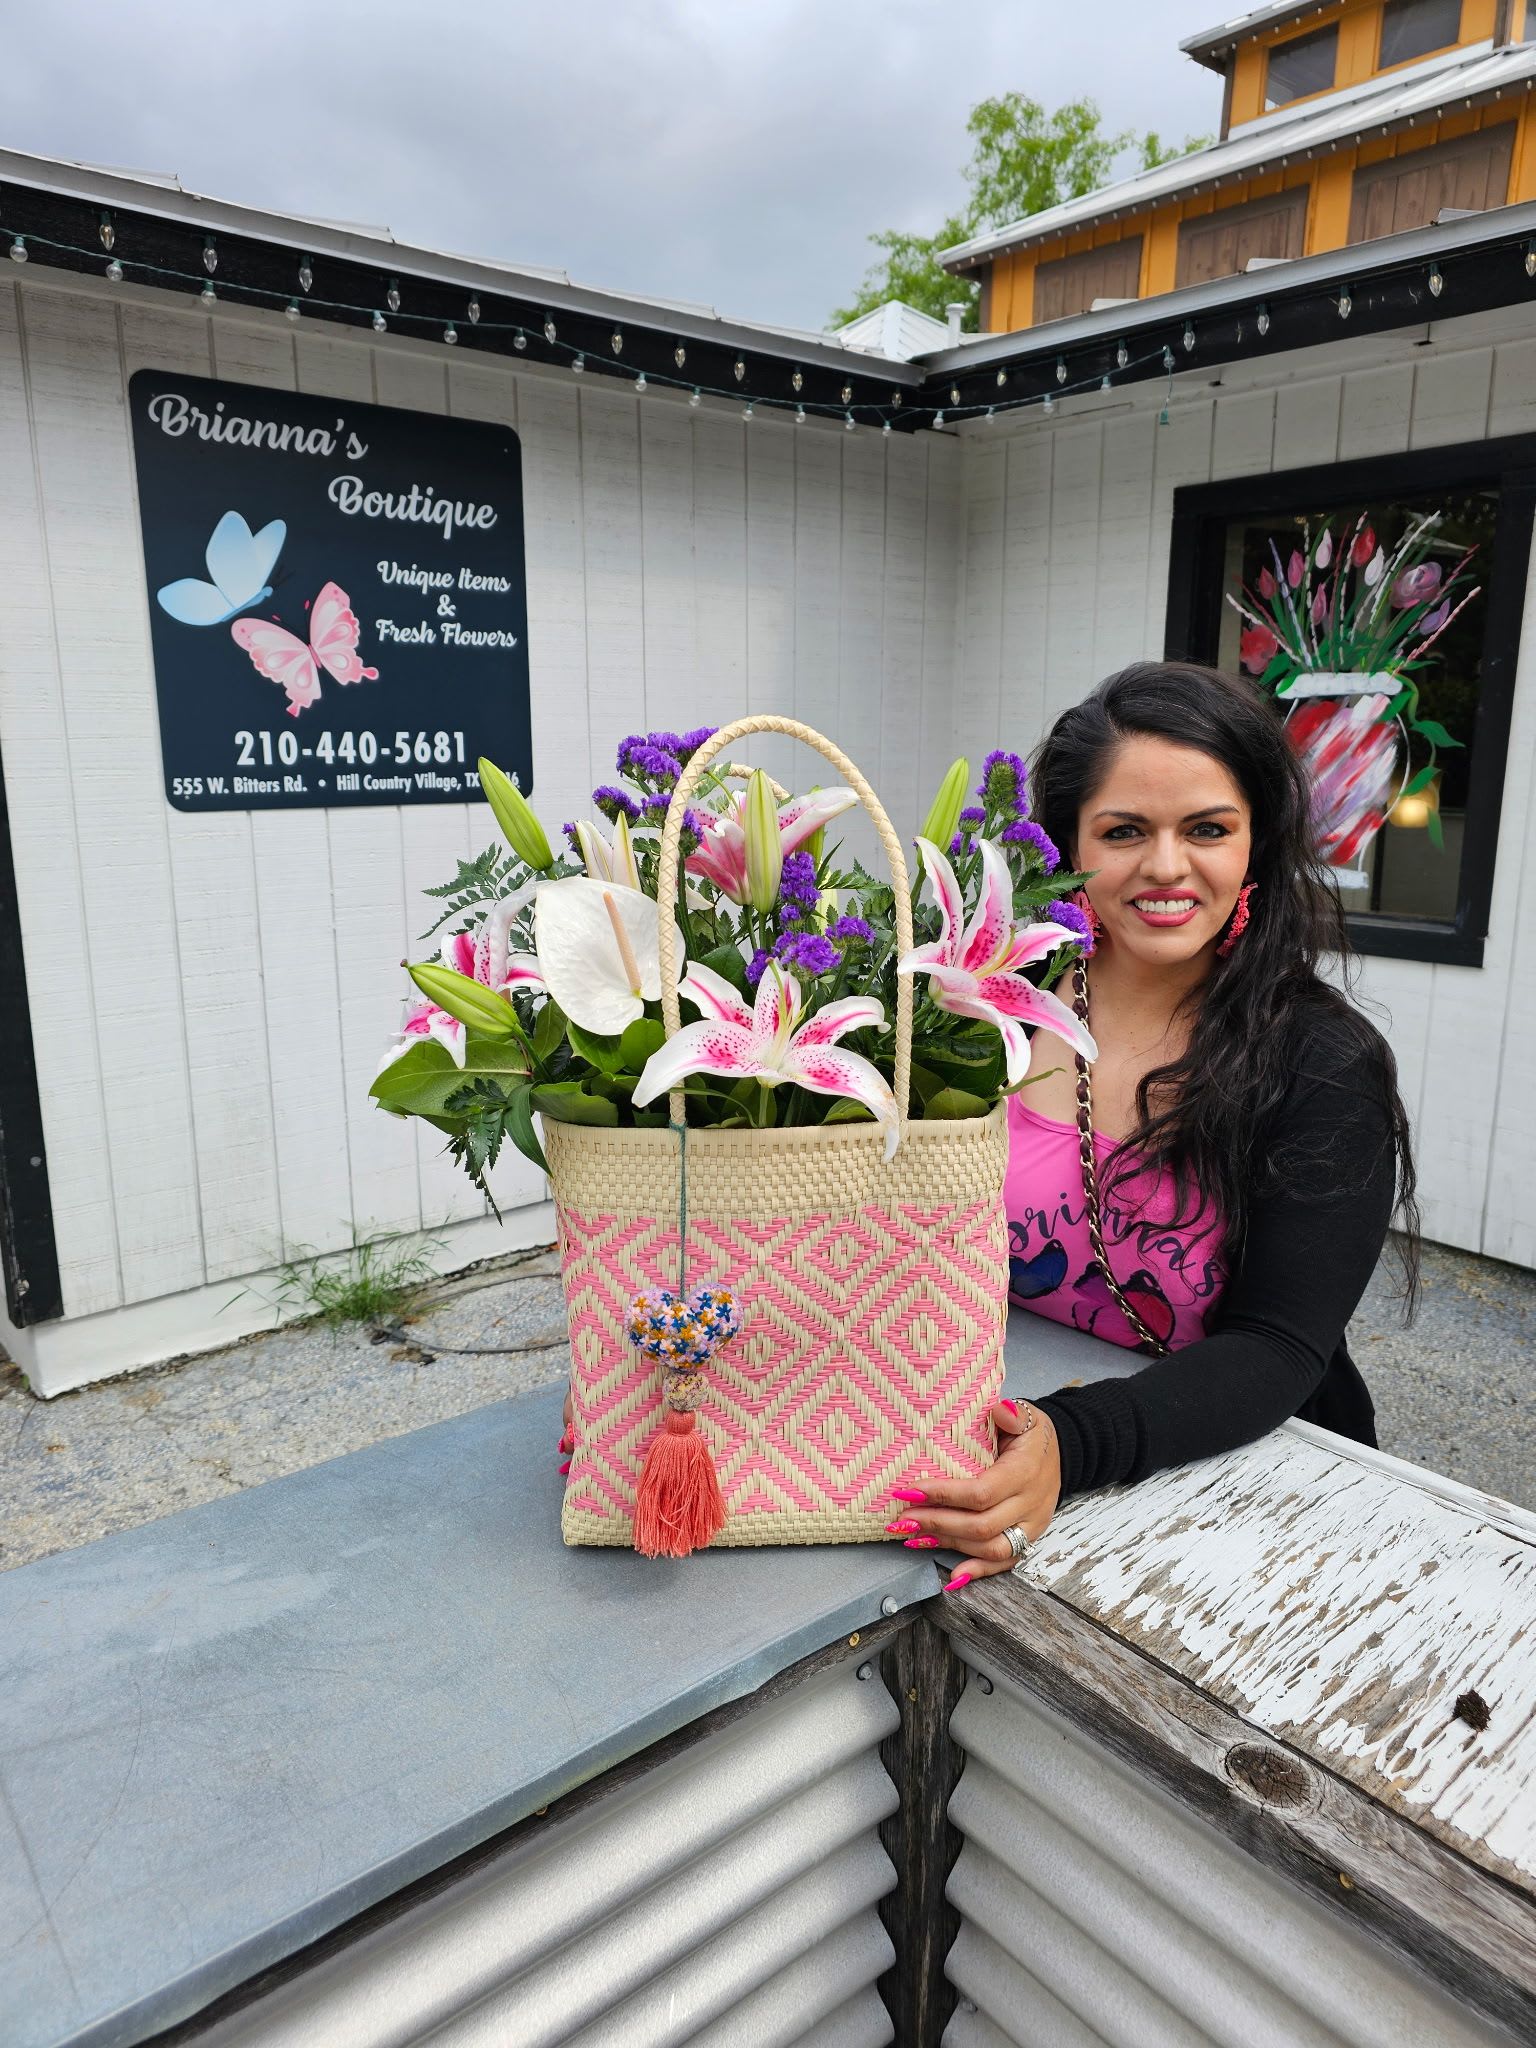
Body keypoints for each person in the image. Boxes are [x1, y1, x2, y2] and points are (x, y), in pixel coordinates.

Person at [888, 661, 1419, 1591]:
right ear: (1066, 846)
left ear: (1256, 843)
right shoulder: (974, 1015)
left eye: (1207, 829)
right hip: (991, 1437)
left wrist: (1073, 1442)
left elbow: (1280, 1346)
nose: (1167, 867)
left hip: (1243, 1485)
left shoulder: (1323, 1063)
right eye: (1124, 831)